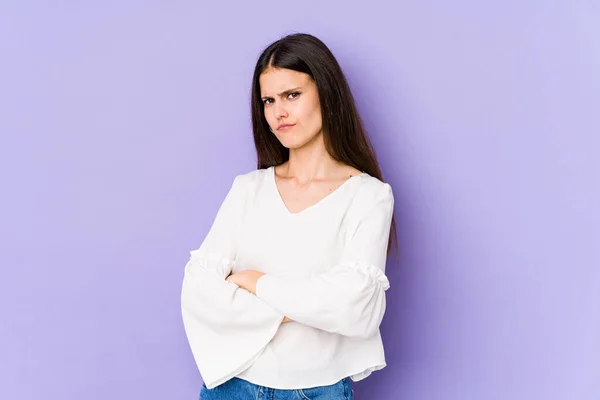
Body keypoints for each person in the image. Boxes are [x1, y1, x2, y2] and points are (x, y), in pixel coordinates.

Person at [181, 32, 398, 400]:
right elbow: (199, 293)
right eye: (268, 100)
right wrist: (311, 301)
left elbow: (355, 307)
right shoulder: (248, 189)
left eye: (292, 95)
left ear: (326, 94)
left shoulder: (369, 196)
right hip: (233, 387)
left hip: (318, 391)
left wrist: (256, 282)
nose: (278, 112)